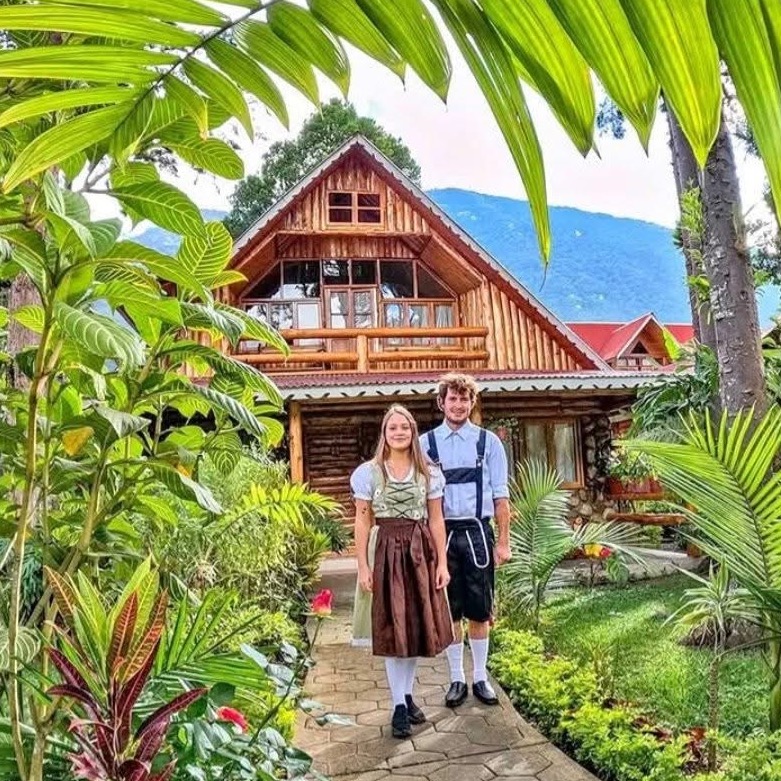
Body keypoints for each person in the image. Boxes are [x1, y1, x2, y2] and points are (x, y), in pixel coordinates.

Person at [350, 404, 453, 738]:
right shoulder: (368, 473)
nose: (399, 433)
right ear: (384, 433)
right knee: (393, 630)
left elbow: (436, 519)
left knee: (413, 627)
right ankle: (397, 706)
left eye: (404, 427)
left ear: (413, 432)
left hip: (419, 551)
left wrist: (442, 563)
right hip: (384, 551)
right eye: (392, 427)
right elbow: (362, 521)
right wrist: (363, 566)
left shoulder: (428, 473)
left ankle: (406, 697)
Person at [421, 373, 511, 708]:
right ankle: (457, 678)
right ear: (441, 403)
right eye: (452, 399)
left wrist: (503, 542)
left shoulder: (489, 443)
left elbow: (501, 496)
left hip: (477, 533)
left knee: (479, 610)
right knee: (449, 610)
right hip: (441, 535)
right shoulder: (425, 444)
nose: (458, 405)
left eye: (464, 399)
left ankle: (480, 678)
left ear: (472, 403)